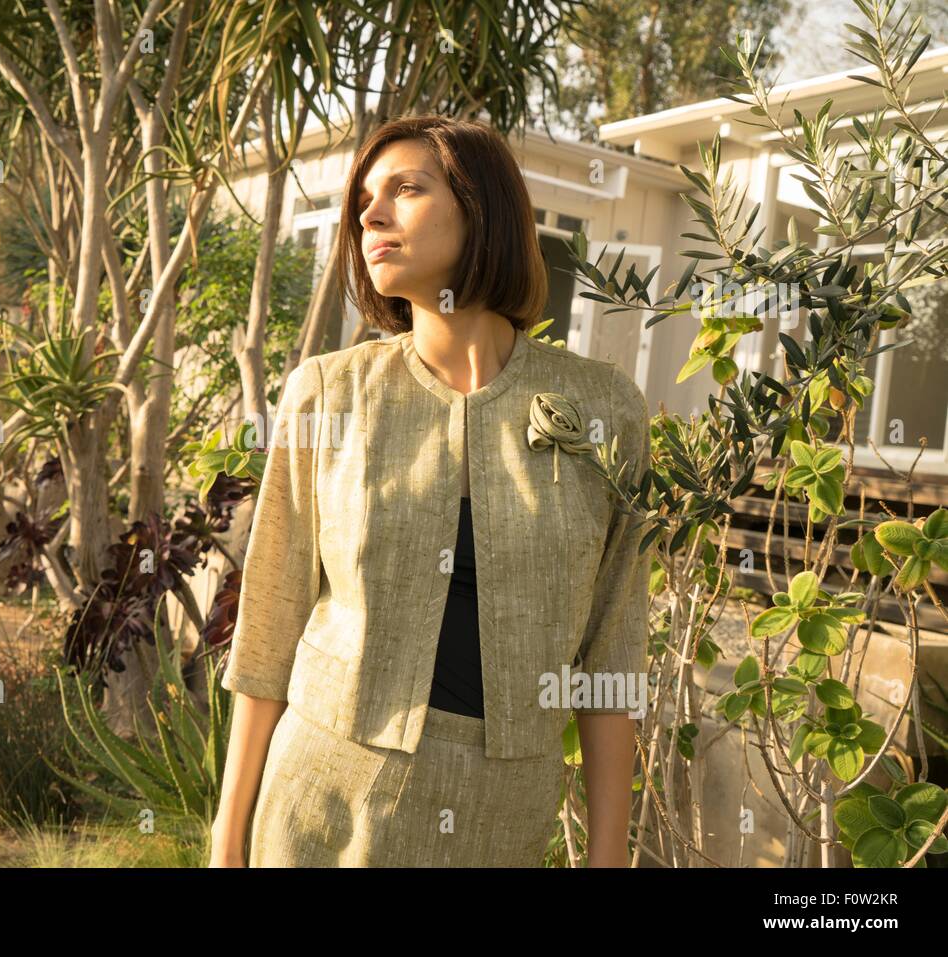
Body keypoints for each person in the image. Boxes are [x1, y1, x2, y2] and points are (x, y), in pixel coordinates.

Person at [209, 114, 652, 868]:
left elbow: (613, 655)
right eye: (362, 205)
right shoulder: (327, 394)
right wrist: (227, 844)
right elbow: (269, 630)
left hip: (501, 816)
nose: (372, 216)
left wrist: (610, 857)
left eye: (406, 189)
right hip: (321, 794)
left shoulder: (604, 409)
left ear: (482, 209)